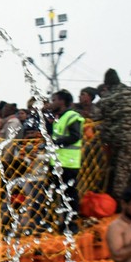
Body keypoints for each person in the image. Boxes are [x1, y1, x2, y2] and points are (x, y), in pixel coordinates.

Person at [92, 68, 131, 199]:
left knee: (115, 168)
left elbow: (95, 117)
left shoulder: (105, 98)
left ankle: (114, 196)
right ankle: (119, 201)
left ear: (106, 84)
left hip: (112, 139)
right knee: (124, 170)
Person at [49, 90, 84, 229]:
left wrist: (56, 142)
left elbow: (76, 136)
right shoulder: (60, 117)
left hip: (68, 162)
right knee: (62, 194)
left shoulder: (72, 116)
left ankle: (72, 223)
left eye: (54, 100)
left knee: (69, 193)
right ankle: (64, 221)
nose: (52, 103)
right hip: (59, 161)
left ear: (62, 101)